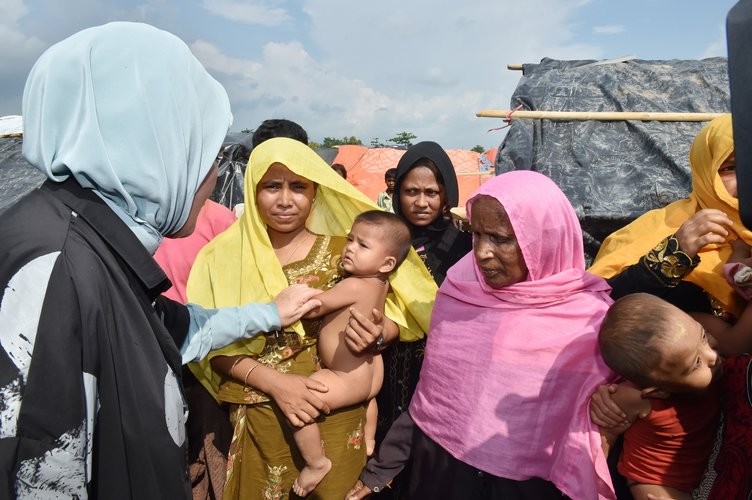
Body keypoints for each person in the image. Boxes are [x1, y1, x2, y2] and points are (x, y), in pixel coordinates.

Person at [0, 22, 324, 498]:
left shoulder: (96, 245)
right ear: (153, 150)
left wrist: (272, 312)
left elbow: (174, 331)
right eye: (204, 154)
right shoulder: (54, 271)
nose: (214, 177)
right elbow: (40, 473)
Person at [187, 137, 436, 499]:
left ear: (316, 192)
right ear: (253, 190)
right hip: (261, 415)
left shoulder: (345, 252)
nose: (286, 200)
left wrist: (379, 333)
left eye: (299, 186)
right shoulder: (222, 258)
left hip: (335, 417)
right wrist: (276, 383)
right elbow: (208, 341)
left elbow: (407, 311)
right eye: (272, 186)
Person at [405, 171, 616, 498]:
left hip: (525, 487)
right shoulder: (460, 287)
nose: (482, 253)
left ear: (545, 238)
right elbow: (438, 392)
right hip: (441, 466)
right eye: (476, 235)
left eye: (500, 238)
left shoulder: (590, 322)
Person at [349, 141, 472, 499]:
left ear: (447, 192)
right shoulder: (382, 242)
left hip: (442, 370)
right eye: (411, 191)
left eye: (432, 192)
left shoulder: (464, 246)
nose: (421, 202)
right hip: (385, 364)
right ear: (396, 191)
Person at [291, 210, 412, 496]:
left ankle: (316, 463)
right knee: (367, 400)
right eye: (350, 240)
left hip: (347, 376)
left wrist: (300, 295)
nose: (349, 248)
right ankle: (369, 440)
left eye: (362, 245)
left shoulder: (354, 284)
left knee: (299, 406)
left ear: (387, 263)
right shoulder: (382, 285)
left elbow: (316, 309)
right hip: (372, 371)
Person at [595, 293, 721, 500]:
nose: (713, 356)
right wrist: (596, 483)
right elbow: (600, 442)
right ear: (659, 391)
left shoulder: (697, 359)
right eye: (696, 363)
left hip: (698, 456)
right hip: (658, 481)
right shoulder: (635, 398)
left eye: (704, 337)